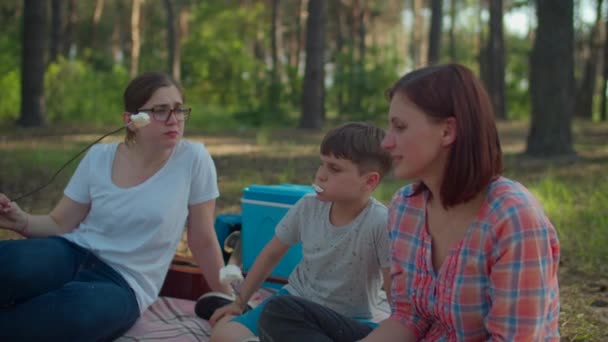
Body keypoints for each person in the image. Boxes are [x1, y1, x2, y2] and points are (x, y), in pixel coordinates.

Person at [256, 63, 561, 341]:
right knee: (281, 312)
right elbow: (408, 317)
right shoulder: (406, 206)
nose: (386, 142)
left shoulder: (514, 218)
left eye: (399, 127)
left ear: (447, 131)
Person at [0, 71, 231, 341]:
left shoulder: (194, 159)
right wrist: (21, 221)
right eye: (160, 110)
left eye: (179, 110)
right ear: (131, 121)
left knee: (77, 316)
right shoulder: (99, 156)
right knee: (11, 264)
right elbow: (60, 223)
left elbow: (202, 238)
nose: (174, 120)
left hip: (124, 283)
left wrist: (229, 298)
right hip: (71, 252)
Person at [197, 122, 393, 342]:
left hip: (346, 320)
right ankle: (239, 310)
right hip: (291, 302)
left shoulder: (380, 222)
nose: (321, 175)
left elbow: (394, 287)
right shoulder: (308, 206)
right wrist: (238, 303)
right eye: (322, 164)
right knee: (223, 336)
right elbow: (271, 252)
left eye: (334, 168)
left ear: (370, 181)